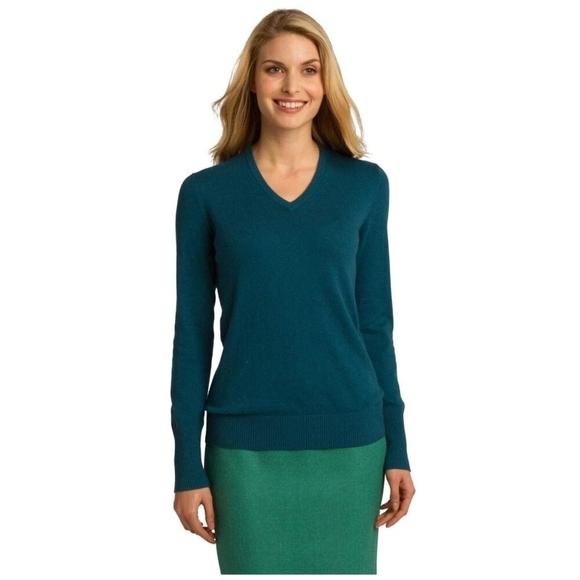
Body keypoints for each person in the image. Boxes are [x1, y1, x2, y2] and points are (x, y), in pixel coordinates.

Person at [170, 8, 415, 575]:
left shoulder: (364, 186)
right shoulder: (206, 194)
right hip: (243, 450)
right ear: (253, 80)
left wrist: (398, 445)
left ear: (325, 83)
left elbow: (375, 325)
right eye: (274, 69)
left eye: (308, 69)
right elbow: (192, 336)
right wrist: (186, 463)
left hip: (352, 444)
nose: (291, 86)